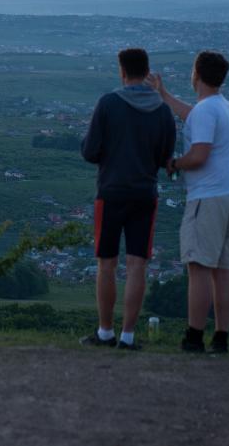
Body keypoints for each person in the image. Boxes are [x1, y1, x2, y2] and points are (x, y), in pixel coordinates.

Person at [147, 51, 229, 354]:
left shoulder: (206, 111)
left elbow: (200, 154)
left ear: (196, 75)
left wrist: (175, 163)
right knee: (223, 269)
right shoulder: (223, 107)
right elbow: (193, 116)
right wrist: (165, 96)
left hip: (209, 198)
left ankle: (193, 337)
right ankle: (221, 337)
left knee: (199, 268)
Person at [79, 48, 176, 350]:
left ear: (122, 72)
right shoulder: (162, 111)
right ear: (147, 72)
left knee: (106, 264)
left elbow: (90, 151)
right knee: (137, 265)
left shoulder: (108, 104)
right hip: (144, 195)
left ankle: (105, 332)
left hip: (110, 193)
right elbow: (165, 158)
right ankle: (128, 336)